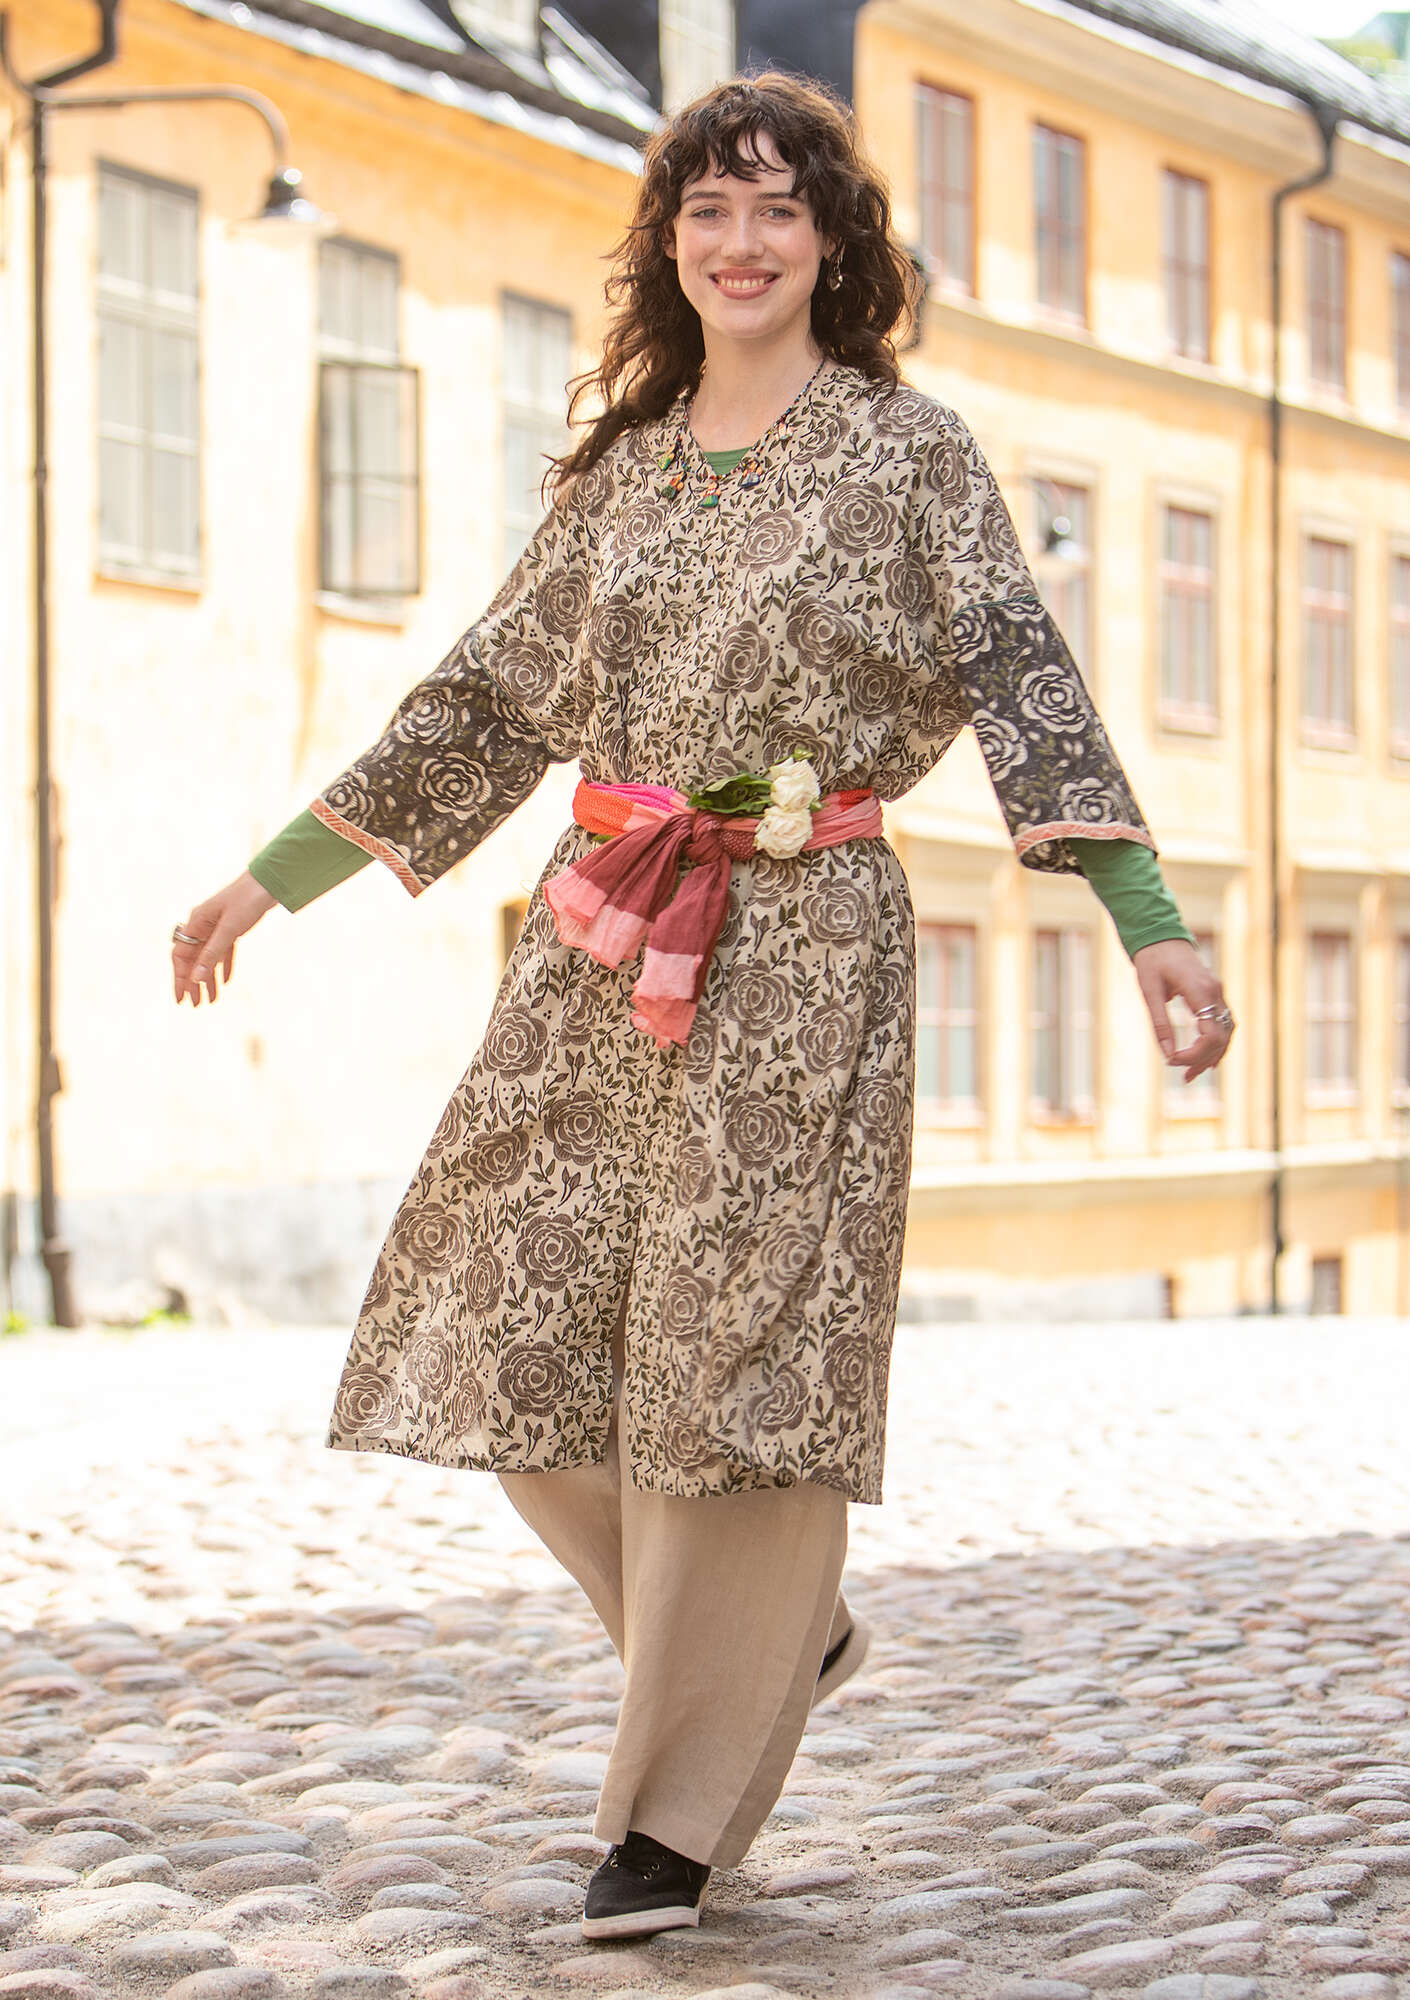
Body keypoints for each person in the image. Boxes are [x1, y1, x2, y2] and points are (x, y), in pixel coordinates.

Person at [171, 70, 1235, 1941]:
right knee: (500, 1319)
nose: (740, 243)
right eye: (706, 211)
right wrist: (272, 875)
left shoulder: (907, 454)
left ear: (832, 245)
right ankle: (774, 1639)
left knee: (732, 1366)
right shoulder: (623, 471)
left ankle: (665, 1823)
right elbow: (481, 702)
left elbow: (1021, 675)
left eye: (776, 210)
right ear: (668, 246)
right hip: (599, 931)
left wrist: (1147, 922)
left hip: (805, 947)